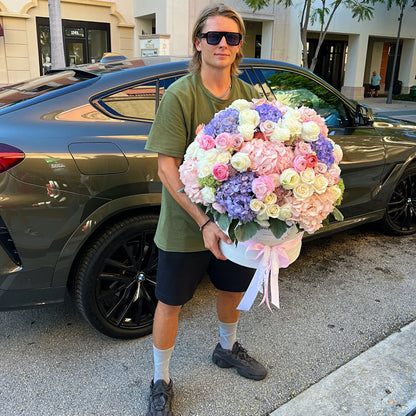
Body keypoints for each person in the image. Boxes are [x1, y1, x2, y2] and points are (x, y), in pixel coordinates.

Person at [144, 3, 267, 415]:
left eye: (231, 37)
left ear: (239, 46)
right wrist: (202, 222)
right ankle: (160, 379)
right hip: (185, 224)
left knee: (232, 288)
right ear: (198, 43)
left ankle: (226, 348)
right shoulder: (181, 94)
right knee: (171, 301)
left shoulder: (249, 96)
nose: (222, 44)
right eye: (213, 36)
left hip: (235, 224)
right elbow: (166, 168)